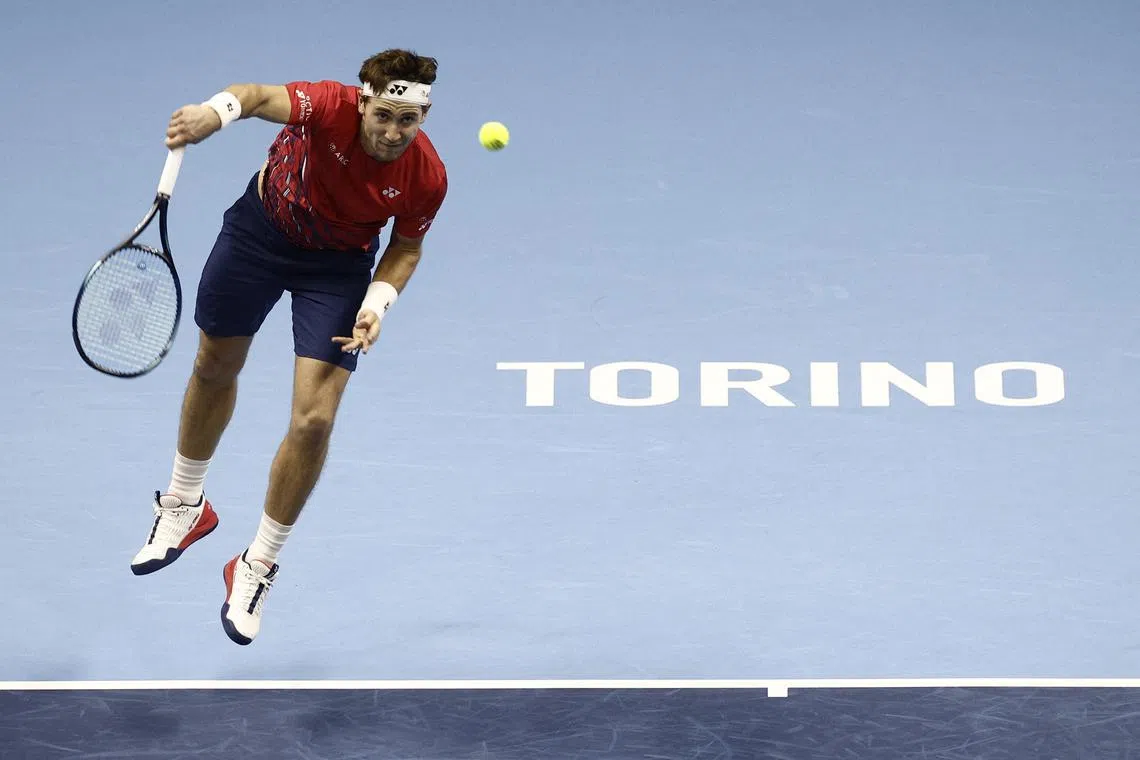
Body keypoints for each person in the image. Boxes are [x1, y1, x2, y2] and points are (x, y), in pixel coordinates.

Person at [128, 49, 448, 646]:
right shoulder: (325, 105)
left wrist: (376, 306)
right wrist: (211, 114)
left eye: (409, 120)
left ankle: (256, 565)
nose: (394, 132)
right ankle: (184, 502)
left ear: (422, 117)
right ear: (362, 101)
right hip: (259, 233)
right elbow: (250, 95)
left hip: (339, 268)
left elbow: (405, 247)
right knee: (214, 363)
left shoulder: (426, 175)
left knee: (315, 420)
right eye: (384, 115)